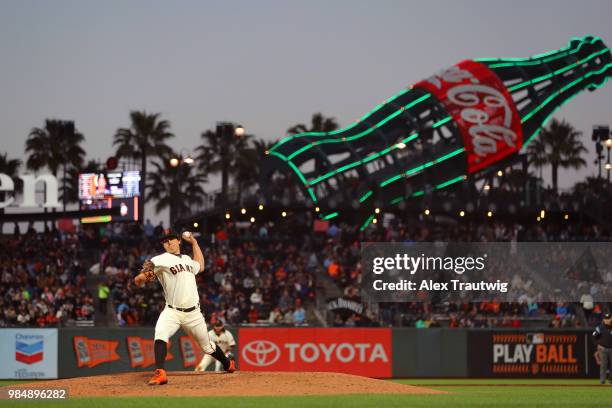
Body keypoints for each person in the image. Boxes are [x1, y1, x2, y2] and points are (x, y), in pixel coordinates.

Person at [134, 229, 235, 385]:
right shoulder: (161, 259)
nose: (168, 242)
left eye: (171, 239)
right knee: (160, 334)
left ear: (179, 241)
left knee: (207, 347)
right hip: (172, 311)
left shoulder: (187, 259)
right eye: (165, 241)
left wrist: (194, 242)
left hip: (194, 314)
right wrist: (140, 278)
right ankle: (160, 373)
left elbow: (200, 266)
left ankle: (228, 364)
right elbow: (147, 274)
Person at [593, 313, 612, 385]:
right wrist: (597, 344)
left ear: (611, 319)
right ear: (603, 319)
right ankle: (602, 380)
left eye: (608, 319)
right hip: (603, 349)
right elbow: (593, 337)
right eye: (606, 319)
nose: (607, 320)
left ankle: (611, 380)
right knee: (603, 365)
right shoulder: (599, 327)